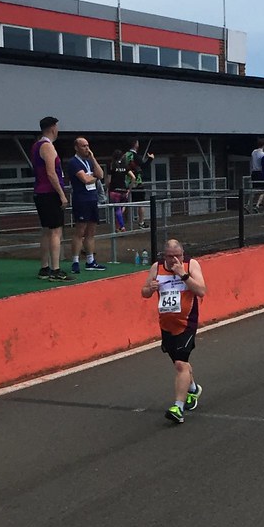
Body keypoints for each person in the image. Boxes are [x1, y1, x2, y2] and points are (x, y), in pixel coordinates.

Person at [141, 239, 206, 424]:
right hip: (167, 324)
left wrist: (183, 275)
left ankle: (178, 406)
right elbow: (144, 292)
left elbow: (201, 290)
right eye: (169, 256)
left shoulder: (190, 265)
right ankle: (193, 389)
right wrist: (150, 289)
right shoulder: (157, 267)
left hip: (186, 323)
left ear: (182, 255)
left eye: (176, 256)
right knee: (180, 363)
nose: (173, 260)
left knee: (180, 363)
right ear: (164, 256)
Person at [31, 115, 71, 281]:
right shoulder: (47, 146)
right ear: (53, 127)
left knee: (47, 231)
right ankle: (55, 269)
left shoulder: (36, 145)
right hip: (49, 193)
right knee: (55, 231)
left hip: (40, 192)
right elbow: (51, 173)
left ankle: (45, 267)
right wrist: (62, 195)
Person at [67, 137, 106, 273]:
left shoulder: (89, 161)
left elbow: (100, 174)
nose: (86, 148)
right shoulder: (73, 162)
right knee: (80, 231)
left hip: (92, 199)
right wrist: (93, 178)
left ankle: (90, 260)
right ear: (76, 147)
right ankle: (75, 261)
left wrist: (93, 158)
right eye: (83, 146)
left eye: (88, 145)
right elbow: (85, 179)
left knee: (91, 231)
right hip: (81, 199)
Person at [124, 138, 154, 228]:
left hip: (126, 183)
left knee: (124, 204)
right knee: (140, 203)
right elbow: (144, 166)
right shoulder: (136, 156)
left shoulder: (124, 155)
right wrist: (150, 159)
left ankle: (121, 224)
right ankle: (141, 223)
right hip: (137, 183)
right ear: (136, 144)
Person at [108, 149, 129, 230]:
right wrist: (129, 189)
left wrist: (108, 187)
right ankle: (118, 227)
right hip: (123, 190)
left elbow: (109, 180)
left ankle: (121, 225)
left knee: (117, 210)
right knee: (121, 208)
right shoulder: (125, 166)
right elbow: (133, 177)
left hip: (114, 190)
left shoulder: (112, 165)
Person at [248, 137, 264, 212]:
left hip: (254, 172)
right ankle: (257, 205)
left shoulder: (253, 152)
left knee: (254, 190)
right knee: (263, 190)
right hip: (260, 172)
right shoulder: (263, 154)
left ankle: (248, 204)